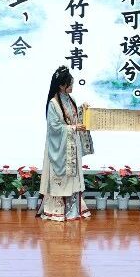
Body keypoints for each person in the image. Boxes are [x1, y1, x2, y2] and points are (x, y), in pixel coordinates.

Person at [37, 66, 90, 222]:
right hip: (59, 147)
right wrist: (73, 128)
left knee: (72, 178)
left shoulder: (71, 100)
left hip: (71, 146)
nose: (72, 87)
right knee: (60, 179)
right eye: (69, 84)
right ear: (61, 85)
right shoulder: (53, 103)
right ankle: (57, 210)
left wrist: (83, 111)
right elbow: (54, 127)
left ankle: (73, 209)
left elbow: (73, 117)